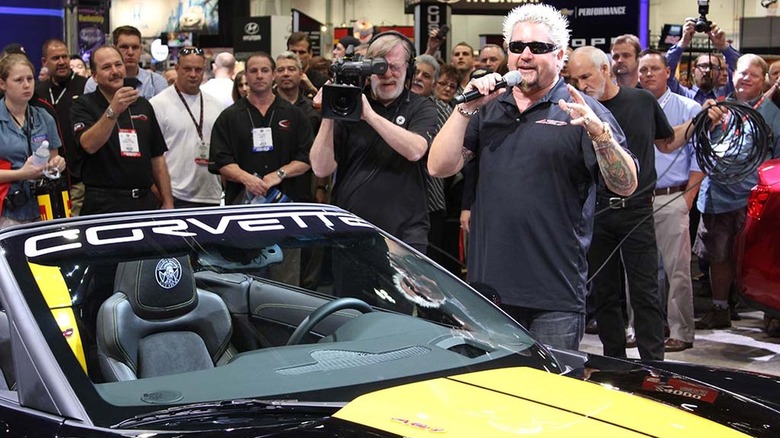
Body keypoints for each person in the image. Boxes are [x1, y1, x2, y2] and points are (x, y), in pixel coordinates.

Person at [428, 4, 638, 350]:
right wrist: (465, 108)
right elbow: (438, 167)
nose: (525, 55)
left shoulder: (580, 109)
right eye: (516, 47)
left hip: (553, 295)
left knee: (548, 398)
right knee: (490, 397)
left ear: (560, 57)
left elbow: (626, 184)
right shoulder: (488, 108)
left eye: (538, 48)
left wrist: (601, 137)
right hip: (488, 292)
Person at [568, 46, 675, 361]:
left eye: (585, 76)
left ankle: (654, 366)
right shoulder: (576, 112)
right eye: (573, 78)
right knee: (605, 295)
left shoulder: (642, 101)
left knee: (645, 293)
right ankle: (614, 362)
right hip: (596, 212)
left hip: (637, 211)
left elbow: (667, 141)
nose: (580, 84)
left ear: (605, 70)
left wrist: (699, 123)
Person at [310, 32, 437, 253]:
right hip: (351, 231)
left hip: (405, 233)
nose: (387, 74)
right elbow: (321, 167)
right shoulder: (349, 104)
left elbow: (416, 150)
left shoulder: (421, 107)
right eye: (378, 67)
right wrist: (330, 110)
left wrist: (369, 115)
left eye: (395, 67)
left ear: (409, 69)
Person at [694, 54, 780, 330]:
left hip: (756, 201)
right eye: (741, 73)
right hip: (717, 197)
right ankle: (720, 308)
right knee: (718, 256)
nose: (745, 78)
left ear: (764, 80)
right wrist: (709, 123)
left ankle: (772, 313)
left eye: (753, 75)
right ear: (732, 75)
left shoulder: (774, 114)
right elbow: (699, 147)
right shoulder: (717, 108)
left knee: (763, 259)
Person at [638, 49, 703, 352]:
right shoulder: (631, 104)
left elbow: (699, 161)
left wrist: (686, 200)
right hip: (638, 200)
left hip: (673, 196)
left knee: (677, 270)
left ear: (668, 73)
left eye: (654, 69)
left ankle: (681, 331)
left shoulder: (689, 108)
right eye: (643, 69)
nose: (648, 74)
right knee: (636, 270)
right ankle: (636, 327)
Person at [72, 45, 173, 214]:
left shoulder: (142, 104)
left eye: (118, 65)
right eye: (106, 67)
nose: (115, 71)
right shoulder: (83, 105)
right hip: (103, 203)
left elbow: (157, 157)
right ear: (95, 76)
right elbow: (89, 145)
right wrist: (113, 110)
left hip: (144, 201)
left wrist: (168, 202)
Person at [209, 51, 313, 206]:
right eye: (253, 71)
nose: (259, 76)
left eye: (265, 70)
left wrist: (280, 174)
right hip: (242, 203)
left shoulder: (294, 114)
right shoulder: (229, 116)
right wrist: (246, 178)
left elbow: (307, 157)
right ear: (245, 75)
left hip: (289, 201)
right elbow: (221, 160)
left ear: (273, 75)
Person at [150, 46, 223, 208]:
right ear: (176, 69)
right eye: (187, 69)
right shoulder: (158, 104)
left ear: (204, 70)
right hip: (174, 195)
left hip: (211, 195)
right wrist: (162, 195)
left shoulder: (216, 105)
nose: (193, 74)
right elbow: (151, 155)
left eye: (198, 69)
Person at [0, 54, 65, 228]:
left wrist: (57, 164)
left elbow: (52, 161)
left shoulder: (44, 117)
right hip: (6, 211)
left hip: (44, 207)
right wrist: (21, 174)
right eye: (18, 80)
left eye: (29, 78)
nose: (27, 85)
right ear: (2, 84)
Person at [35, 39, 88, 215]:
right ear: (44, 62)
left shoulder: (85, 85)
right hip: (46, 178)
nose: (62, 62)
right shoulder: (37, 91)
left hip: (81, 176)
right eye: (56, 58)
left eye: (64, 56)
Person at [666, 18, 740, 105]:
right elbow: (666, 68)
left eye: (713, 67)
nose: (708, 70)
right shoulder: (682, 94)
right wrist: (683, 43)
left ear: (719, 73)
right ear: (693, 71)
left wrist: (723, 46)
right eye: (703, 66)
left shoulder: (727, 93)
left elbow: (740, 67)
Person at [84, 26, 167, 99]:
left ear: (141, 50)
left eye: (135, 47)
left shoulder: (156, 82)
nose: (130, 52)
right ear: (114, 48)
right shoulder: (95, 83)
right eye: (124, 47)